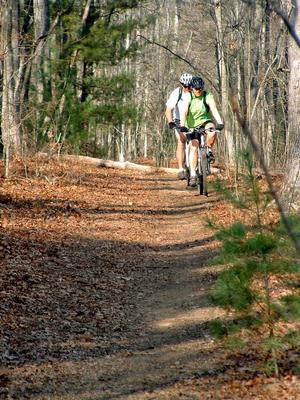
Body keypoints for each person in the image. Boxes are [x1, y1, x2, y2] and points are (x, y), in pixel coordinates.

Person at [180, 76, 224, 186]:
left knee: (212, 130)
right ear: (192, 88)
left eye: (200, 88)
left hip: (205, 121)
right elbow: (184, 112)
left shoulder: (207, 96)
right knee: (194, 147)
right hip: (191, 125)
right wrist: (182, 125)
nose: (198, 91)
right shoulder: (188, 96)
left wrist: (220, 122)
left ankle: (208, 150)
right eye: (196, 89)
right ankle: (194, 174)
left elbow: (213, 109)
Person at [165, 73, 193, 180]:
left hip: (192, 121)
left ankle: (196, 166)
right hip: (178, 121)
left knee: (194, 142)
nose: (187, 88)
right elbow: (168, 109)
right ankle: (181, 169)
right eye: (185, 86)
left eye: (189, 86)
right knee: (181, 141)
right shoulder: (177, 93)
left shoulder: (195, 92)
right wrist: (170, 121)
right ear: (182, 85)